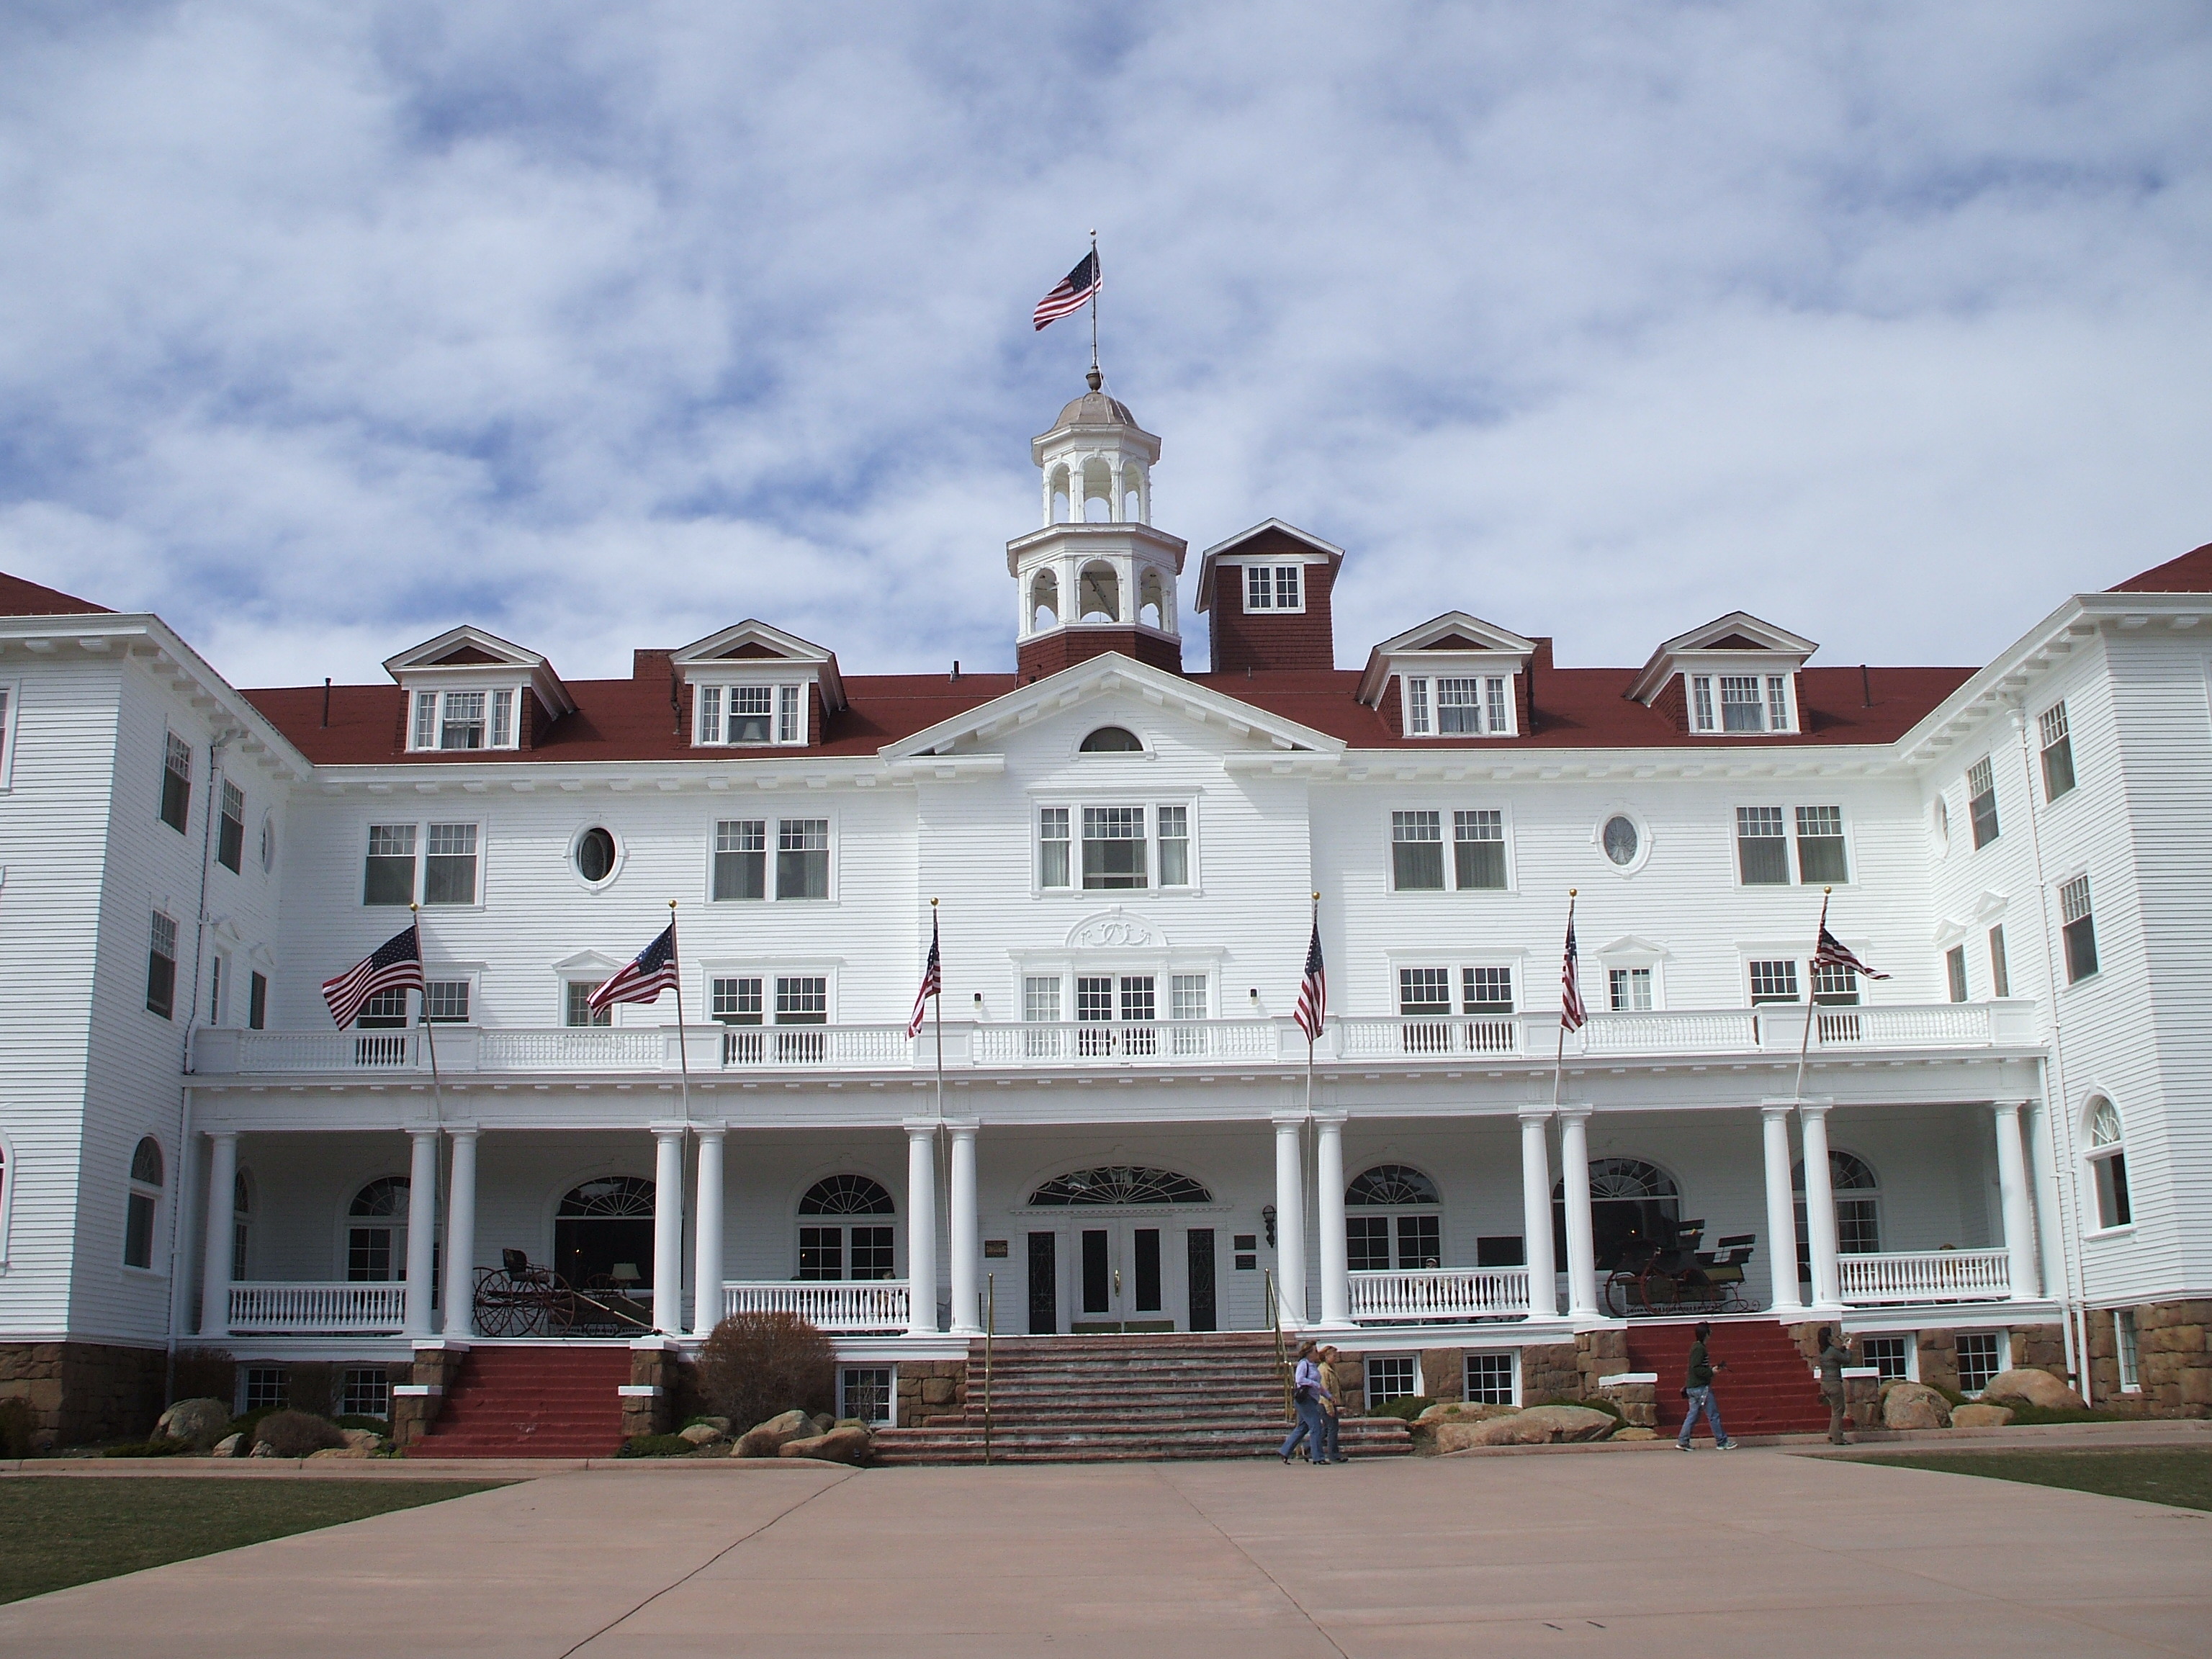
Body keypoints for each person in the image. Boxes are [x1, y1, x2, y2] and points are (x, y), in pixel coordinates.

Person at [1676, 1321, 1737, 1449]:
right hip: (1701, 1388)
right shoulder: (1699, 1348)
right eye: (1710, 1331)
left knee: (1693, 1415)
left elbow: (1698, 1367)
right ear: (1706, 1334)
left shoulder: (1697, 1347)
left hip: (1693, 1387)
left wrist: (1712, 1370)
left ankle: (1683, 1441)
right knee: (1713, 1414)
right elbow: (1696, 1368)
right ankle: (1722, 1441)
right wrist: (1711, 1371)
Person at [1279, 1341, 1326, 1465]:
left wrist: (1329, 1396)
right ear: (1309, 1353)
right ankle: (1318, 1457)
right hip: (1305, 1400)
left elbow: (1319, 1386)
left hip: (1312, 1399)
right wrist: (1314, 1384)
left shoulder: (1313, 1365)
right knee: (1316, 1426)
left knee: (1303, 1427)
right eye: (1315, 1351)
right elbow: (1299, 1379)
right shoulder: (1303, 1364)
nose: (1317, 1353)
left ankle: (1285, 1451)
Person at [1815, 1326, 1856, 1445]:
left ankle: (1832, 1435)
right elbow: (1846, 1360)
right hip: (1834, 1383)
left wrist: (1842, 1348)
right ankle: (1838, 1438)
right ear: (1829, 1337)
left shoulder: (1824, 1350)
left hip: (1825, 1383)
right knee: (1839, 1410)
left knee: (1835, 1410)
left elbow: (1836, 1354)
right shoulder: (1832, 1351)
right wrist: (1848, 1349)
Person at [1316, 1346, 1346, 1464]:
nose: (1336, 1358)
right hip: (1324, 1403)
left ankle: (1309, 1447)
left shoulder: (1331, 1368)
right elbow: (1324, 1390)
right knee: (1333, 1428)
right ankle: (1333, 1455)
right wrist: (1329, 1408)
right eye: (1334, 1355)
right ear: (1327, 1356)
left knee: (1327, 1429)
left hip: (1330, 1402)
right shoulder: (1323, 1370)